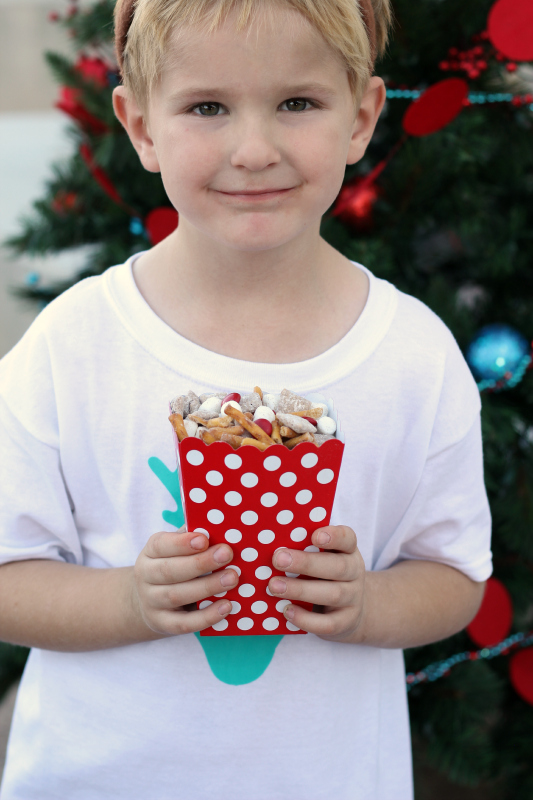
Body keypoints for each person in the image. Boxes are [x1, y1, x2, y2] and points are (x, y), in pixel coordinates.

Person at [0, 1, 492, 798]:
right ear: (140, 126)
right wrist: (129, 598)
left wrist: (368, 603)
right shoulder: (74, 346)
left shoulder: (413, 355)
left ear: (362, 116)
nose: (254, 150)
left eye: (297, 103)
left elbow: (453, 574)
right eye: (206, 107)